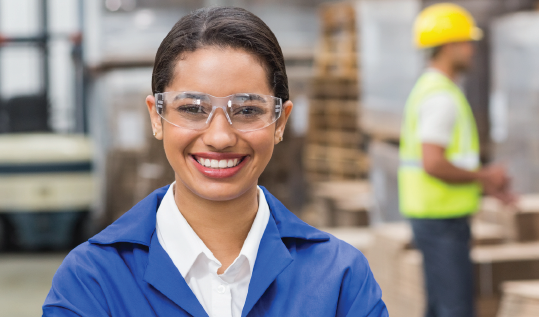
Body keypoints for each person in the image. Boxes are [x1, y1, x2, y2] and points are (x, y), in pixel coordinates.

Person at [43, 7, 387, 317]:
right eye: (193, 109)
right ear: (156, 117)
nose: (220, 137)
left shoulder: (340, 279)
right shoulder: (93, 281)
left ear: (280, 122)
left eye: (248, 110)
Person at [398, 3, 515, 317]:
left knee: (441, 307)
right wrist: (485, 177)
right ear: (449, 46)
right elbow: (433, 163)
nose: (471, 50)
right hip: (442, 221)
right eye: (467, 42)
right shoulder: (441, 97)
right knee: (455, 309)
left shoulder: (431, 88)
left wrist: (483, 183)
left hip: (435, 216)